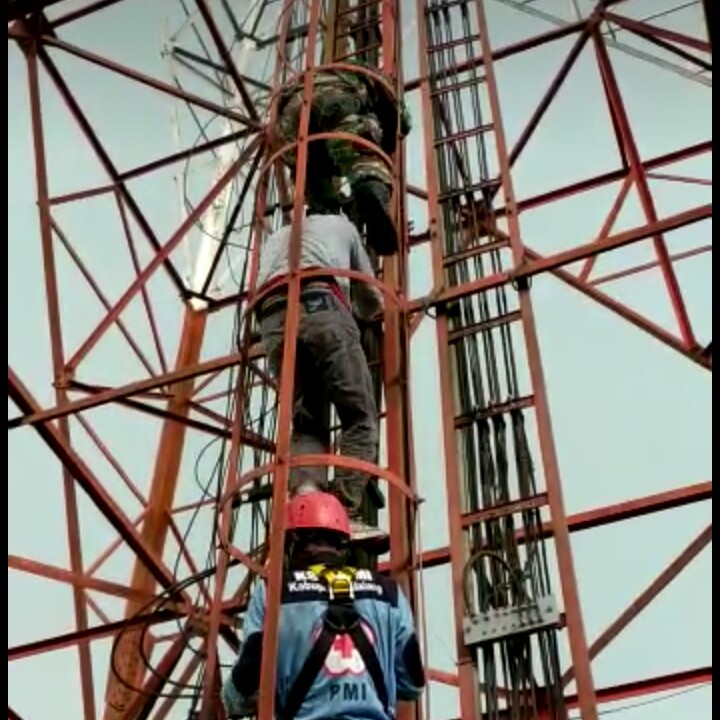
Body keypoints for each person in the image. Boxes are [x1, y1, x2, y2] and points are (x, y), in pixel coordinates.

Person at [221, 492, 426, 719]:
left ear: (292, 544)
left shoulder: (273, 591)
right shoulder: (390, 593)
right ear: (345, 544)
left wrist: (232, 700)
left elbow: (249, 672)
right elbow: (413, 683)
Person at [254, 208, 386, 546]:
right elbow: (370, 300)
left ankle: (306, 498)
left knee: (307, 420)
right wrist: (370, 316)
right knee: (359, 416)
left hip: (269, 316)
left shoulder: (276, 237)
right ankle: (345, 510)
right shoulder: (344, 225)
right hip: (320, 300)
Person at [274, 64, 412, 257]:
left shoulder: (334, 73)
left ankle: (325, 215)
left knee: (311, 174)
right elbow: (401, 121)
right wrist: (382, 146)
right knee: (362, 152)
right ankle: (369, 188)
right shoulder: (377, 80)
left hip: (288, 120)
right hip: (334, 100)